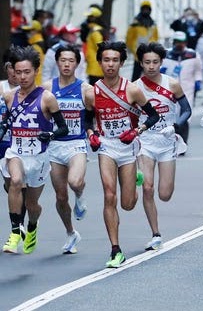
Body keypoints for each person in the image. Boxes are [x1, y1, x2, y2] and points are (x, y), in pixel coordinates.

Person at [85, 40, 159, 268]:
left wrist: (137, 130)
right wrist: (91, 133)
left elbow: (153, 116)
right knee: (109, 195)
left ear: (122, 63)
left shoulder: (133, 90)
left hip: (127, 148)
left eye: (115, 60)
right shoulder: (91, 92)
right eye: (106, 60)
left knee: (127, 204)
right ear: (99, 63)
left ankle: (134, 182)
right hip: (106, 146)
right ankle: (115, 249)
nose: (110, 65)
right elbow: (86, 117)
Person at [0, 46, 69, 254]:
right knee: (15, 182)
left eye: (26, 72)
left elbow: (63, 128)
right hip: (16, 152)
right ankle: (14, 231)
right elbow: (6, 123)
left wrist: (51, 135)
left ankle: (32, 226)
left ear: (36, 71)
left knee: (32, 205)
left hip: (38, 157)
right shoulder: (10, 97)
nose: (22, 76)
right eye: (18, 72)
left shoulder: (47, 98)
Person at [135, 42, 192, 251]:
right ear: (141, 63)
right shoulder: (135, 87)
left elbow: (186, 109)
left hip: (167, 142)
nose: (151, 66)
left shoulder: (172, 84)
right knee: (147, 187)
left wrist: (175, 126)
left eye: (155, 62)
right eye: (147, 62)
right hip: (145, 142)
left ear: (161, 63)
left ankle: (156, 230)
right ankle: (156, 233)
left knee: (165, 194)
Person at [42, 45, 94, 254]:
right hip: (54, 146)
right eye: (63, 60)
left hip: (76, 143)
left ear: (77, 63)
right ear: (57, 62)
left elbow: (92, 116)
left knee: (75, 182)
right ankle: (71, 233)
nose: (66, 64)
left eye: (71, 60)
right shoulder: (47, 87)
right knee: (61, 196)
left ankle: (80, 195)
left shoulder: (85, 89)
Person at [162, 31, 203, 145]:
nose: (179, 45)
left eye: (182, 42)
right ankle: (171, 141)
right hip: (169, 89)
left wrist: (198, 81)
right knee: (171, 115)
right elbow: (161, 68)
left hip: (187, 89)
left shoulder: (193, 55)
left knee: (185, 114)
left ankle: (183, 142)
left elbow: (198, 70)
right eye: (177, 42)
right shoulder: (166, 54)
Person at [126, 0, 159, 81]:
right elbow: (129, 38)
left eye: (147, 9)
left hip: (150, 54)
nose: (146, 11)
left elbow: (156, 38)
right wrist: (133, 50)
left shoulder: (153, 25)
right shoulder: (135, 24)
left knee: (150, 77)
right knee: (136, 77)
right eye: (144, 9)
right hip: (138, 54)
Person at [83, 6, 106, 85]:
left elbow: (100, 48)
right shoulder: (92, 30)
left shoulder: (95, 31)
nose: (87, 19)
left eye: (89, 17)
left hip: (96, 67)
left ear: (94, 18)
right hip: (93, 65)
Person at [20, 21, 47, 85]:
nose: (27, 34)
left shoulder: (36, 46)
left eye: (29, 31)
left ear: (35, 31)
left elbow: (36, 67)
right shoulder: (41, 42)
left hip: (37, 82)